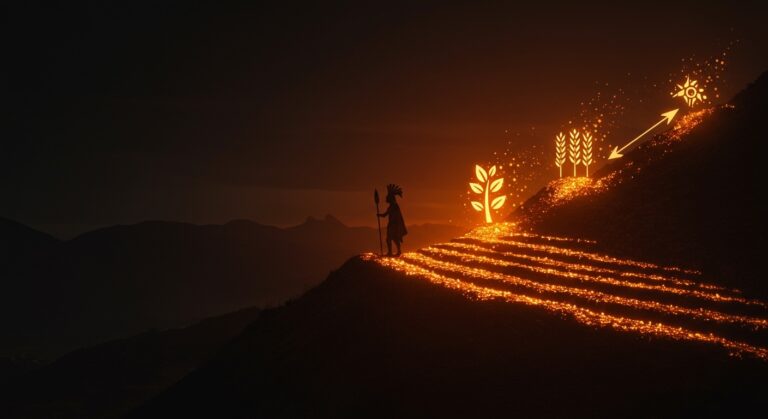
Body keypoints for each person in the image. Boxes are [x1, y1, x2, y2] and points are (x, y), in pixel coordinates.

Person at [378, 184, 408, 256]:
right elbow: (385, 215)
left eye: (387, 197)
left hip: (393, 225)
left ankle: (391, 252)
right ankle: (396, 251)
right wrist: (379, 215)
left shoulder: (393, 206)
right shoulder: (393, 206)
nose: (386, 199)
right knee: (393, 238)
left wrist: (379, 215)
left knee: (390, 239)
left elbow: (386, 215)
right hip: (392, 225)